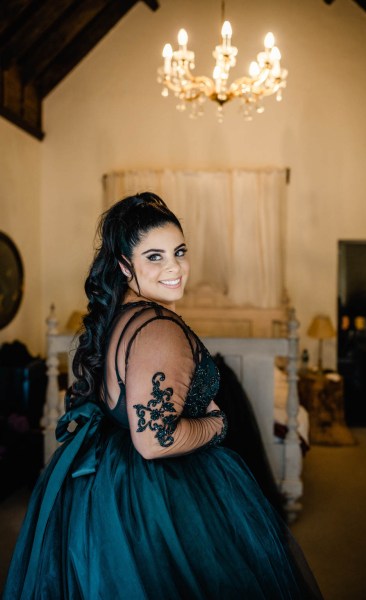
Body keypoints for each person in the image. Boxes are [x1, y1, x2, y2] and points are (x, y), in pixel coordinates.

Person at [4, 193, 323, 599]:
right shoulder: (159, 329)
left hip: (110, 481)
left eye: (179, 251)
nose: (174, 267)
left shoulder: (120, 317)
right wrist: (219, 422)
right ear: (124, 265)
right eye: (154, 256)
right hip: (155, 492)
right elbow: (155, 441)